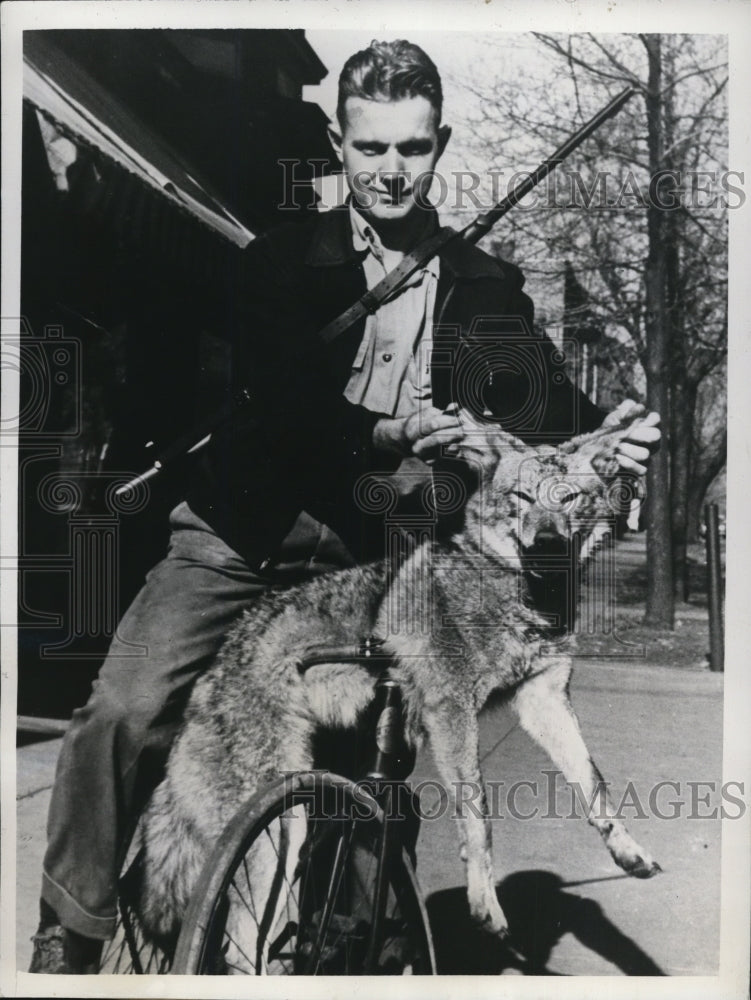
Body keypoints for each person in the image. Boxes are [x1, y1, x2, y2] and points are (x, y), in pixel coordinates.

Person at [29, 39, 661, 974]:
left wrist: (615, 431)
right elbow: (285, 412)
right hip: (239, 533)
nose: (391, 170)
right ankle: (69, 933)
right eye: (371, 149)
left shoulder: (484, 285)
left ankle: (341, 953)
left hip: (371, 559)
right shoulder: (277, 264)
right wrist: (392, 434)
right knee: (123, 710)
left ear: (439, 144)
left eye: (411, 148)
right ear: (338, 142)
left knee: (376, 771)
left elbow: (545, 402)